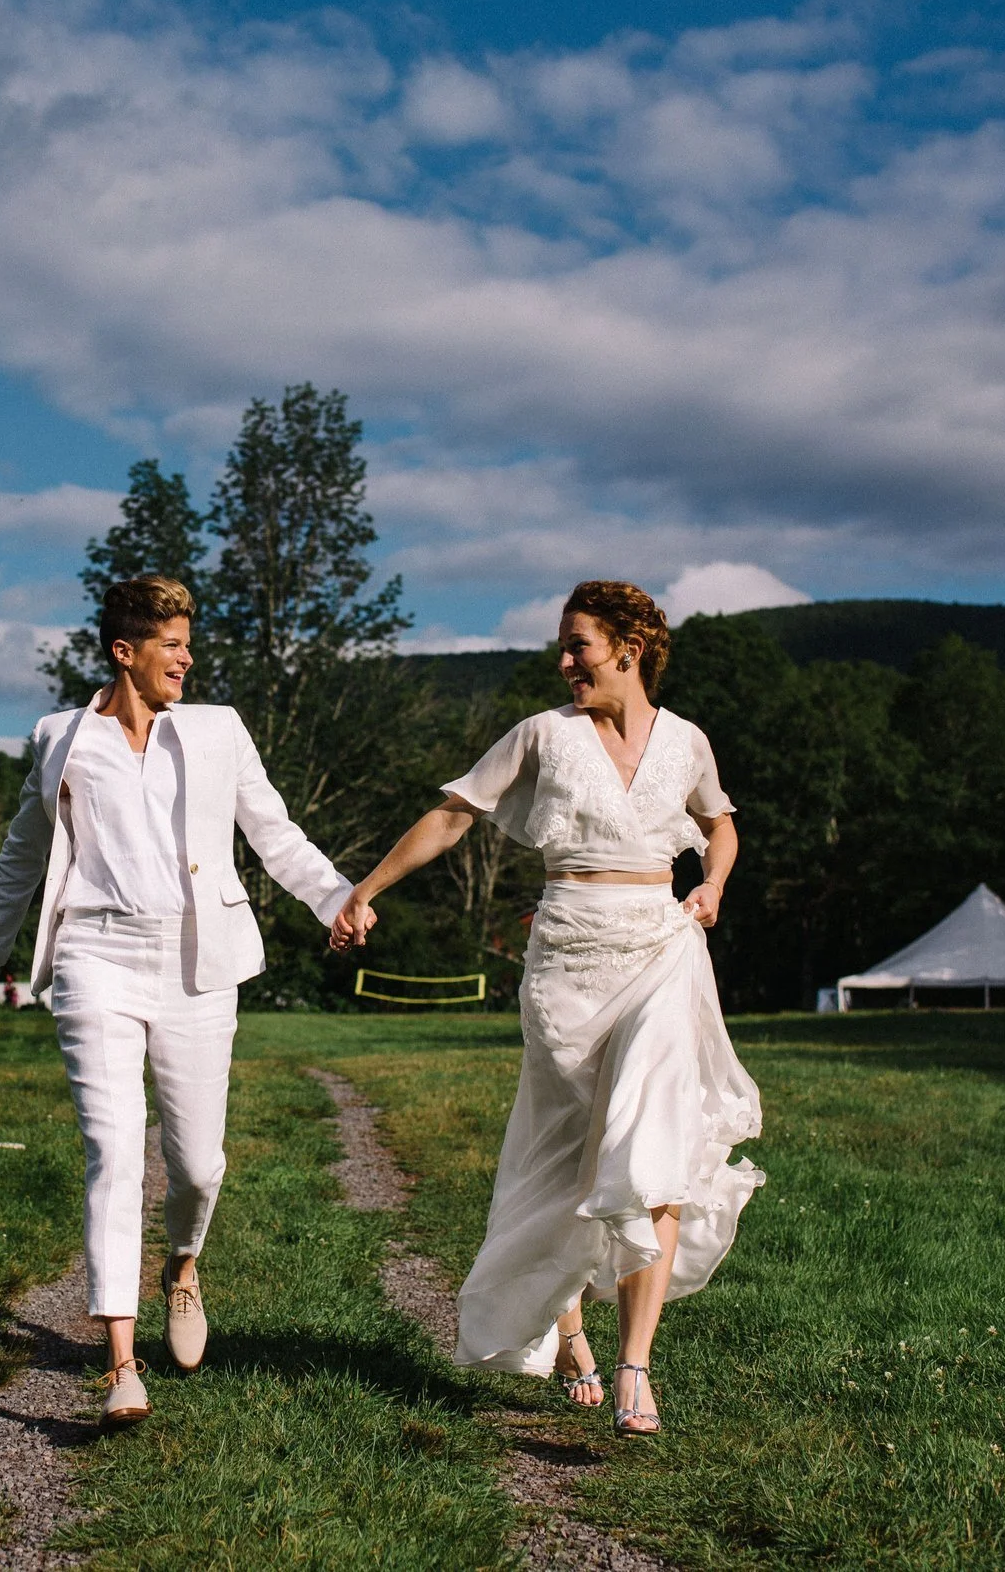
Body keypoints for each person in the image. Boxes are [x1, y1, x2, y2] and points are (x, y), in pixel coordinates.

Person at [330, 580, 763, 1436]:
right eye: (564, 648)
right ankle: (569, 1335)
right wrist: (365, 889)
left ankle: (637, 1366)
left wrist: (713, 884)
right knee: (568, 1160)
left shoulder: (687, 742)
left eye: (580, 647)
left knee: (657, 1140)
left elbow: (721, 822)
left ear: (629, 651)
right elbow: (454, 817)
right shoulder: (543, 735)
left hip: (663, 947)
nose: (565, 663)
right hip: (567, 958)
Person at [0, 574, 370, 1427]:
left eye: (188, 641)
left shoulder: (217, 731)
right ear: (124, 651)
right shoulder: (60, 738)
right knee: (112, 1150)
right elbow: (22, 853)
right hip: (94, 959)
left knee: (198, 1164)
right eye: (172, 643)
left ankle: (182, 1265)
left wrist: (336, 898)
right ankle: (120, 1362)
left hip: (196, 966)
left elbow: (273, 829)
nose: (187, 656)